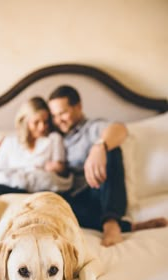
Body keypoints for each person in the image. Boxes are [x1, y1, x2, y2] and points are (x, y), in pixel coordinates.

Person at [48, 85, 167, 247]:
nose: (58, 120)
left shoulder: (91, 128)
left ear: (78, 107)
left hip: (102, 192)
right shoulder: (54, 137)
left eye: (62, 113)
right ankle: (127, 226)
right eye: (54, 116)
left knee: (112, 150)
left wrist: (100, 147)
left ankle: (111, 224)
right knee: (51, 203)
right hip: (77, 199)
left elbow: (119, 129)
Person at [0, 96, 72, 220]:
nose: (42, 127)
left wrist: (54, 169)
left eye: (46, 121)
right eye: (36, 122)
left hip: (37, 192)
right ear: (25, 121)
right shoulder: (10, 142)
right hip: (6, 189)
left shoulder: (54, 139)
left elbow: (60, 172)